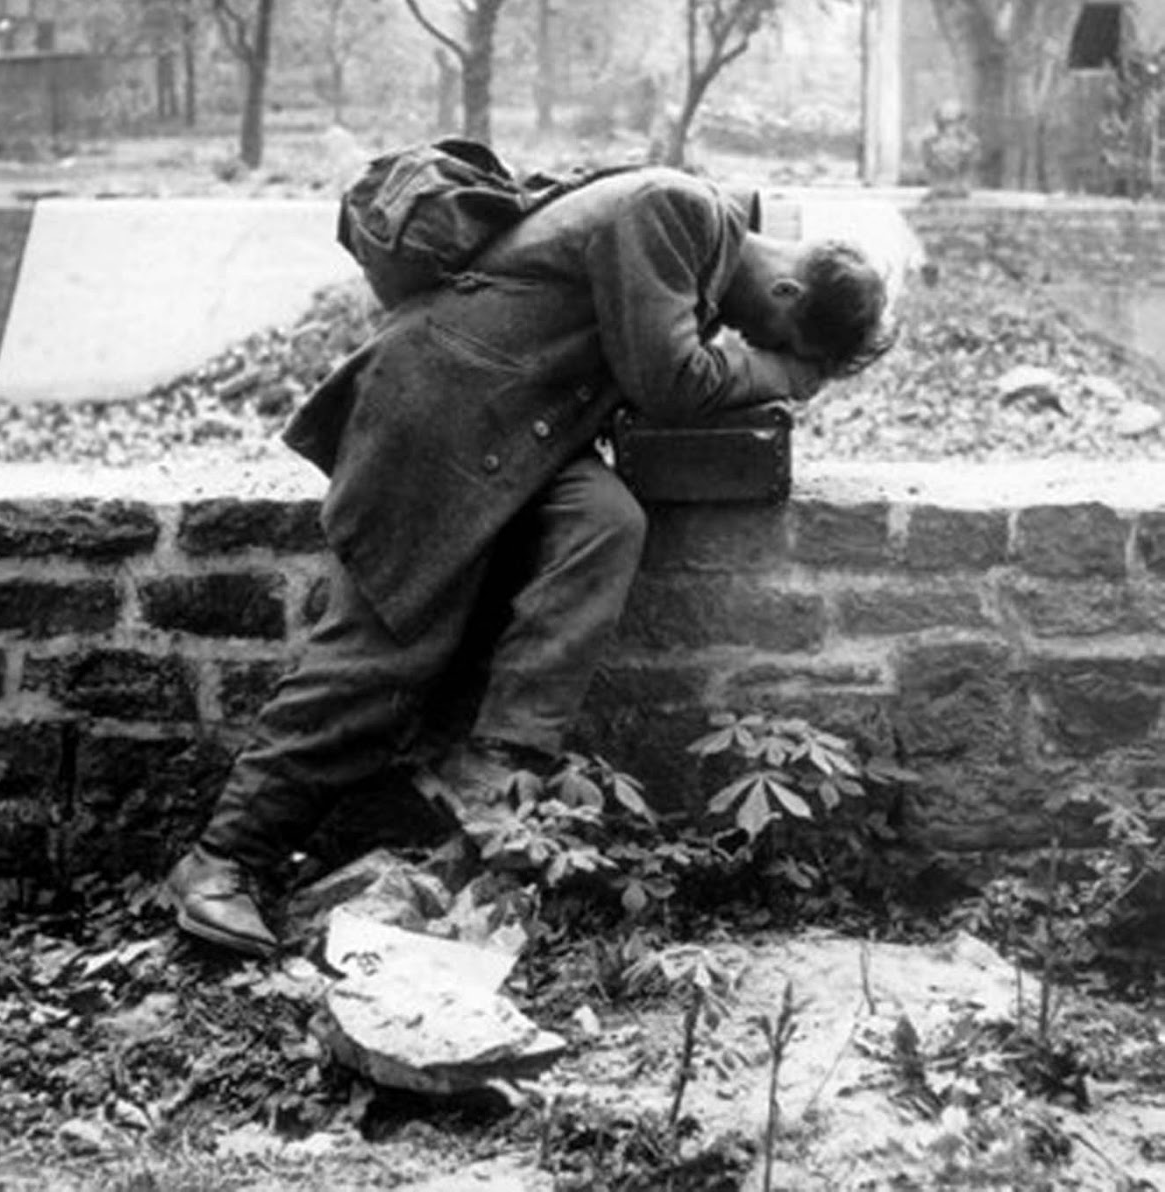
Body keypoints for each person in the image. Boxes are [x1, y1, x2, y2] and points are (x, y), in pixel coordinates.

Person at [164, 165, 891, 955]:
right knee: (384, 656)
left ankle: (494, 763)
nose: (751, 348)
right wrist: (781, 374)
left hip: (520, 432)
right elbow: (670, 380)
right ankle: (221, 862)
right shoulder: (673, 211)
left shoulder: (697, 245)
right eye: (770, 339)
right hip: (441, 416)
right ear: (785, 291)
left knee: (604, 522)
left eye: (767, 352)